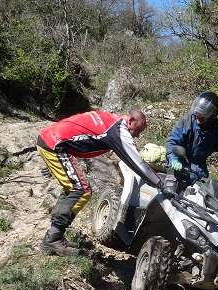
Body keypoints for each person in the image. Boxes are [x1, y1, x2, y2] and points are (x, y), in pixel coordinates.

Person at [36, 108, 166, 256]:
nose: (137, 135)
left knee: (72, 189)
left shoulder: (111, 118)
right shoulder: (118, 131)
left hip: (50, 139)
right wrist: (160, 184)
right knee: (80, 190)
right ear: (130, 121)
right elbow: (138, 164)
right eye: (138, 130)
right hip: (54, 145)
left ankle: (54, 236)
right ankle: (53, 240)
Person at [166, 91, 218, 187]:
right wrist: (173, 158)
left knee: (205, 199)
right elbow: (173, 140)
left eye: (202, 118)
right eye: (197, 115)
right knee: (170, 193)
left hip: (199, 172)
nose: (198, 121)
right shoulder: (187, 121)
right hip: (179, 166)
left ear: (211, 117)